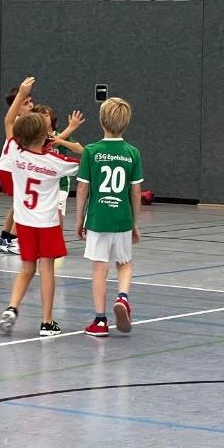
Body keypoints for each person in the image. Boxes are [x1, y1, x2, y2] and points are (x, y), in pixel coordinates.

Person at [0, 79, 81, 336]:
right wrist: (71, 142)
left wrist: (21, 93)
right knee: (46, 272)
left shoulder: (14, 151)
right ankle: (46, 322)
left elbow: (8, 123)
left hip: (23, 222)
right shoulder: (56, 162)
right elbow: (88, 158)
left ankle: (12, 307)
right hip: (46, 224)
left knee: (26, 269)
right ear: (46, 135)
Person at [75, 97, 143, 337]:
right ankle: (123, 297)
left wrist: (79, 219)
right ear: (126, 122)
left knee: (99, 269)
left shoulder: (91, 151)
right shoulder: (132, 153)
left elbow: (83, 189)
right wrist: (134, 222)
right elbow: (135, 191)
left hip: (97, 219)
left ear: (101, 121)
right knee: (124, 264)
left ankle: (100, 320)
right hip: (122, 219)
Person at [0, 85, 35, 255]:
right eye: (25, 103)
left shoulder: (23, 122)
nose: (31, 105)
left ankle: (4, 238)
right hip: (11, 170)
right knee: (23, 206)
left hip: (5, 168)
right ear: (16, 109)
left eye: (31, 101)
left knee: (17, 205)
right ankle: (14, 240)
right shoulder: (19, 124)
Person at [32, 104, 84, 230]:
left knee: (58, 212)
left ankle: (58, 240)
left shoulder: (60, 135)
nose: (43, 118)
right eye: (39, 115)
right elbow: (47, 143)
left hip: (60, 184)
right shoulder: (35, 137)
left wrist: (62, 141)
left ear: (52, 118)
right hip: (42, 184)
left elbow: (81, 150)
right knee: (41, 215)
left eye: (45, 115)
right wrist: (70, 128)